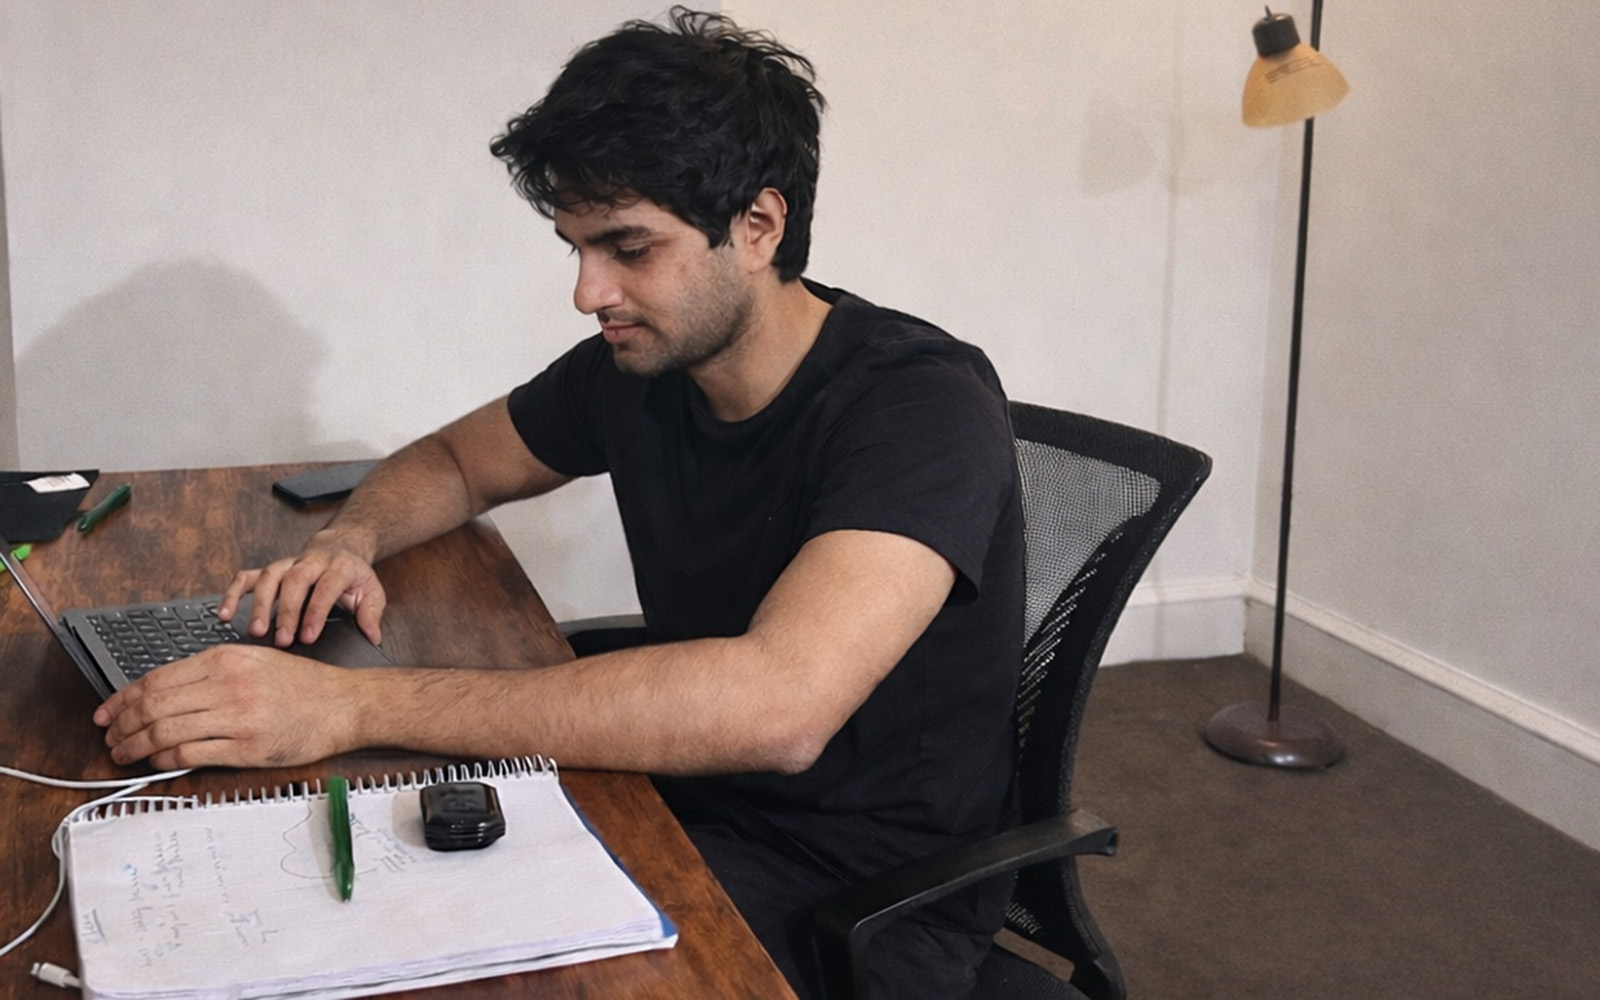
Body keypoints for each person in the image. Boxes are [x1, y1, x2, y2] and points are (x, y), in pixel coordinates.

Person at [94, 9, 1023, 999]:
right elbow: (457, 461)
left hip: (861, 893)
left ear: (758, 226)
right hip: (678, 794)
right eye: (575, 247)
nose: (588, 292)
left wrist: (348, 705)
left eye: (628, 247)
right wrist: (351, 537)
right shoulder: (639, 369)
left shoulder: (919, 408)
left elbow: (777, 707)